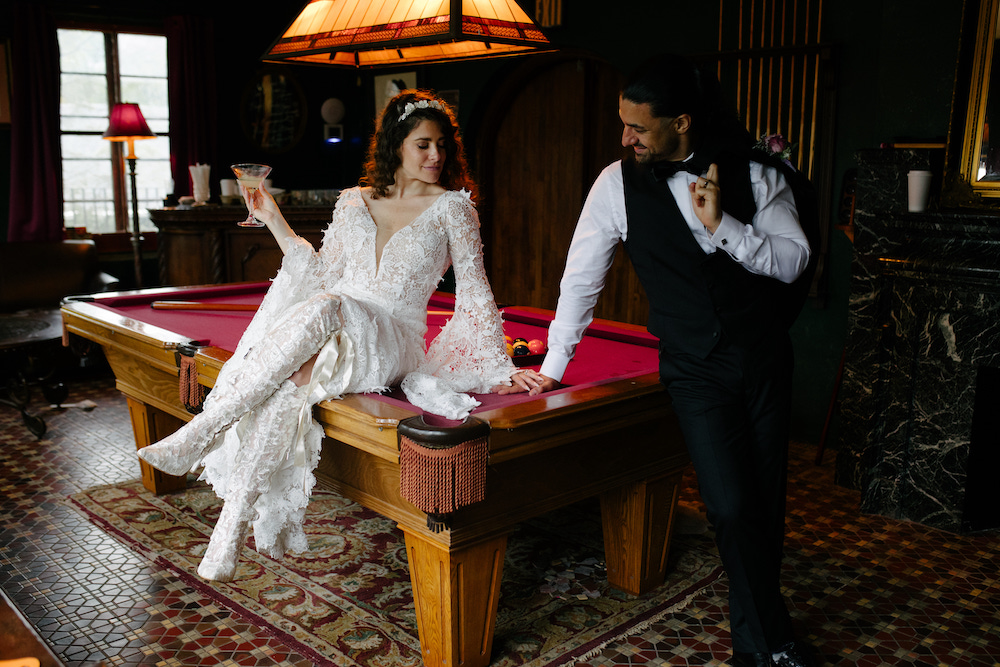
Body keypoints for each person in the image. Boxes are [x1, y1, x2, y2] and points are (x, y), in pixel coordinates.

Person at [138, 90, 545, 582]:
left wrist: (498, 366)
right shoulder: (353, 201)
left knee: (330, 310)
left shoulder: (453, 208)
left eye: (442, 145)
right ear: (396, 146)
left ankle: (203, 430)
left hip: (394, 339)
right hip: (337, 324)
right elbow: (322, 279)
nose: (436, 156)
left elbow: (475, 294)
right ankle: (228, 529)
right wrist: (274, 219)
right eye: (423, 145)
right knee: (298, 376)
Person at [503, 54, 816, 667]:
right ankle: (770, 646)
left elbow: (793, 261)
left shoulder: (757, 176)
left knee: (763, 504)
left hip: (763, 361)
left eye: (638, 128)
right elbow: (580, 280)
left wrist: (723, 223)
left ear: (683, 122)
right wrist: (556, 367)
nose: (625, 139)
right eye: (623, 126)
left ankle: (764, 639)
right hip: (695, 370)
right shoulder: (613, 185)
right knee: (728, 506)